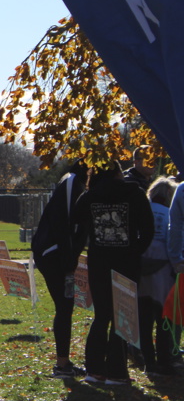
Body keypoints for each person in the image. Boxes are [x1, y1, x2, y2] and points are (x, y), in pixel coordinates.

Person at [71, 164, 154, 385]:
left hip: (99, 262)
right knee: (122, 315)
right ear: (118, 173)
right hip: (126, 263)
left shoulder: (90, 196)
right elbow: (148, 230)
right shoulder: (134, 193)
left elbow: (76, 218)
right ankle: (117, 372)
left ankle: (94, 369)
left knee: (101, 315)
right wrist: (135, 250)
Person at [31, 163, 87, 378]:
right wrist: (69, 258)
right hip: (55, 255)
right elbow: (64, 222)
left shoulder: (70, 181)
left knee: (65, 307)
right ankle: (62, 365)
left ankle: (64, 362)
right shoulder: (72, 182)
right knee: (64, 307)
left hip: (56, 255)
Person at [139, 177, 177, 377]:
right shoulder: (170, 214)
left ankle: (148, 362)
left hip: (141, 268)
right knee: (164, 320)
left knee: (144, 320)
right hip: (162, 271)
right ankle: (164, 361)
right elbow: (173, 242)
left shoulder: (142, 211)